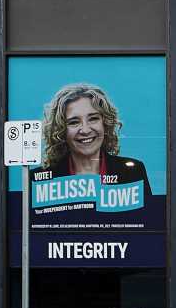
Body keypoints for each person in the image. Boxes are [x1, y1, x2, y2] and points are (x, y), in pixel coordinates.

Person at [33, 82, 150, 216]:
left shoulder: (133, 172)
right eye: (74, 122)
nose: (85, 130)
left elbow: (146, 225)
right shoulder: (39, 180)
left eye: (93, 119)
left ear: (105, 123)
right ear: (61, 131)